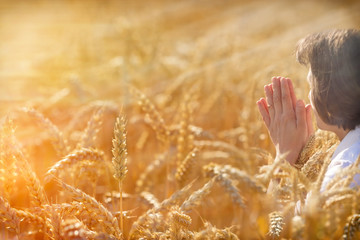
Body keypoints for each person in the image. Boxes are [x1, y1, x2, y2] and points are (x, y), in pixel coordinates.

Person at [256, 29, 360, 192]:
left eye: (312, 86)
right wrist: (304, 158)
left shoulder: (343, 175)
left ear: (330, 93)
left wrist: (284, 156)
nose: (309, 94)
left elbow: (275, 217)